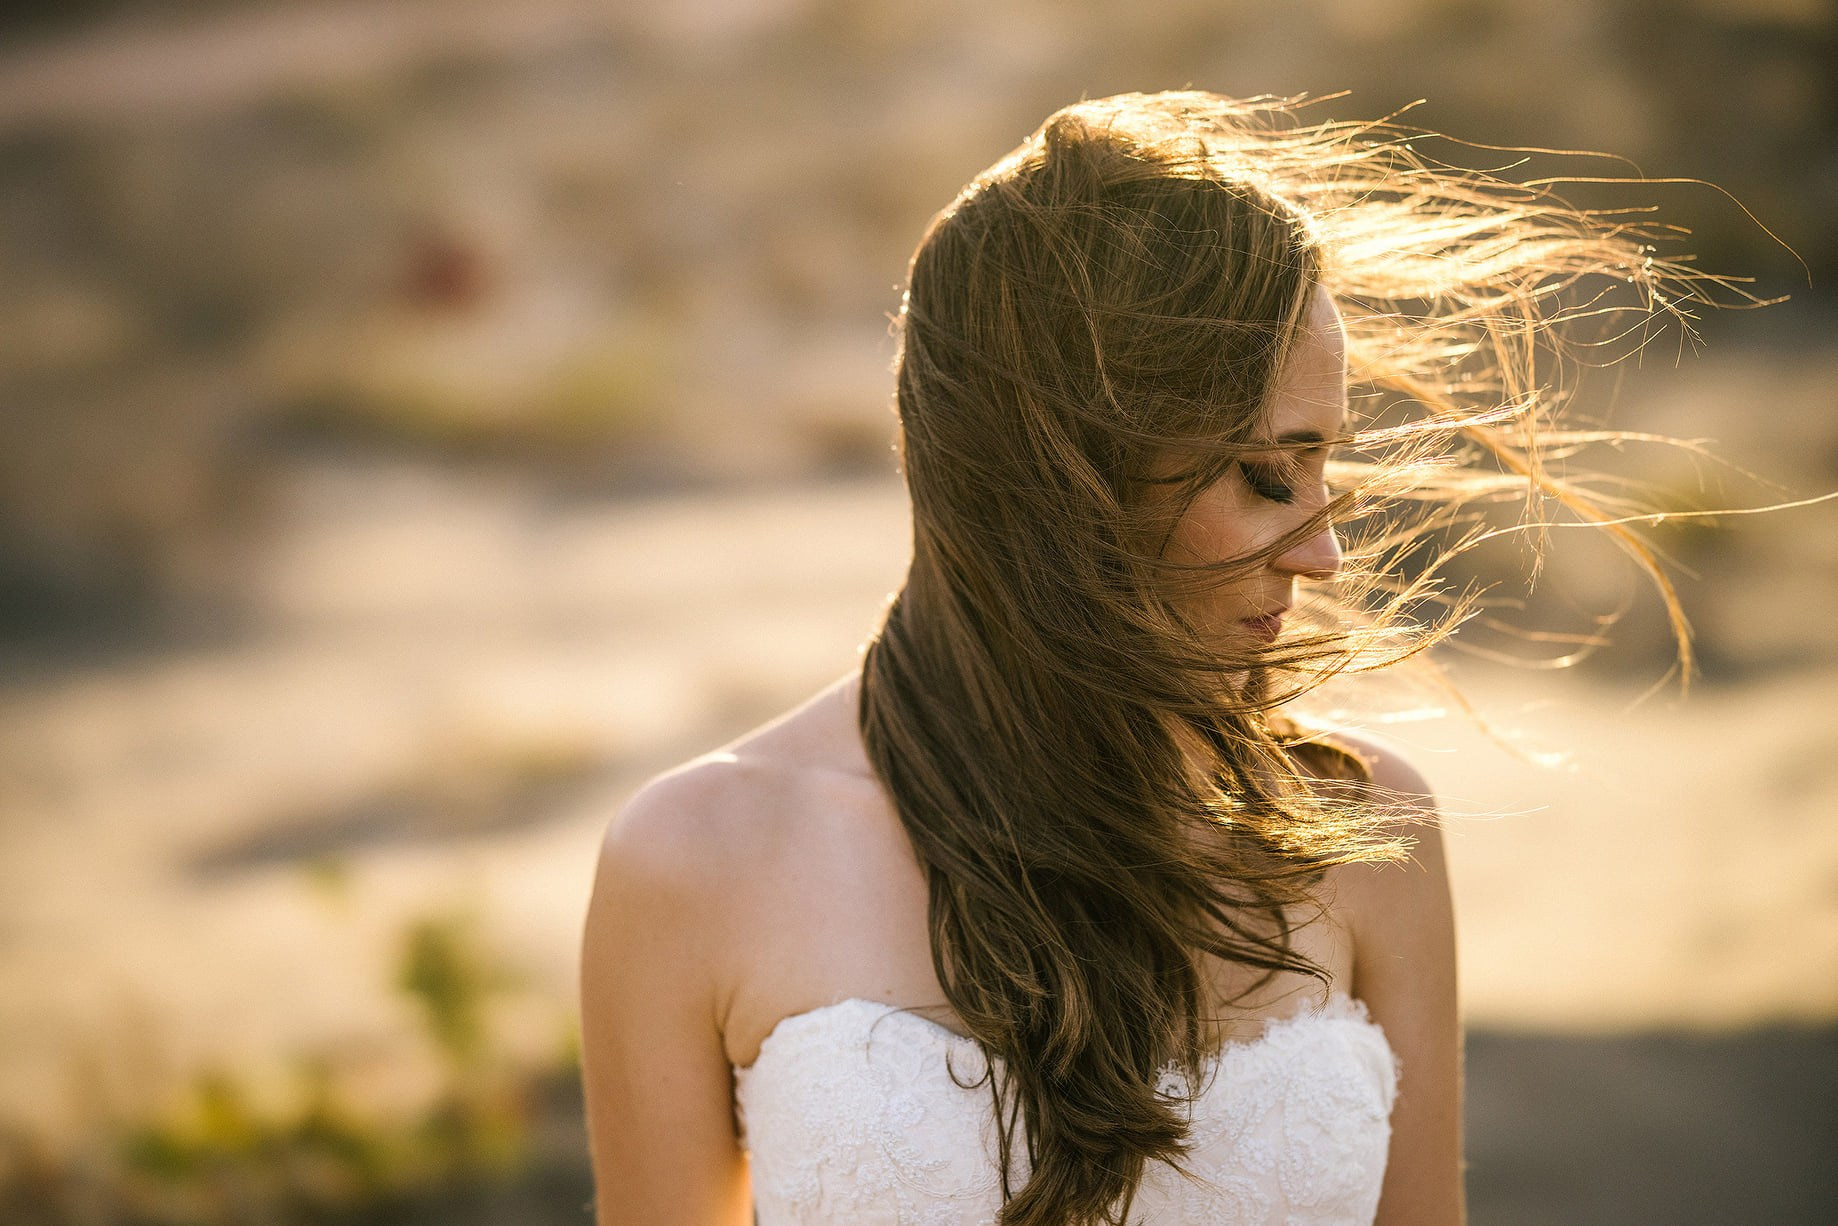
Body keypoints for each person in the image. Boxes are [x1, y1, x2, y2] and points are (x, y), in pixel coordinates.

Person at [578, 91, 1722, 1225]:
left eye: (1324, 465)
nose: (1323, 550)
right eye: (1265, 472)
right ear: (1056, 483)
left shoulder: (1363, 832)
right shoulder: (696, 861)